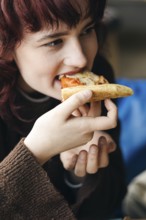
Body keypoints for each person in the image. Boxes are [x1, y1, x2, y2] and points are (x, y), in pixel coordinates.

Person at [0, 0, 126, 219]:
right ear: (6, 46)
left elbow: (111, 202)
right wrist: (37, 151)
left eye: (87, 30)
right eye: (54, 42)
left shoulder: (97, 76)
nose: (80, 59)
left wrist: (78, 176)